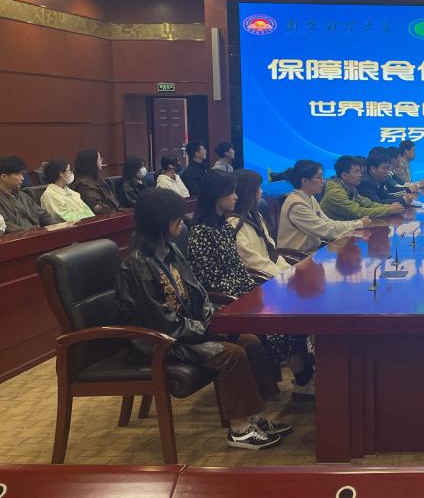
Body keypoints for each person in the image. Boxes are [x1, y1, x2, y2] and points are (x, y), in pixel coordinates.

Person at [114, 188, 290, 450]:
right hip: (162, 341)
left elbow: (198, 294)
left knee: (250, 342)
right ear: (162, 221)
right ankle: (239, 428)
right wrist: (209, 329)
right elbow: (162, 322)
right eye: (176, 217)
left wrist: (214, 321)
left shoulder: (170, 249)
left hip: (187, 330)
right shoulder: (138, 265)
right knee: (232, 354)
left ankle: (254, 416)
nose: (181, 221)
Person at [187, 170, 316, 400]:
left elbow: (242, 268)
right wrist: (255, 295)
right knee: (282, 321)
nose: (235, 196)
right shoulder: (201, 233)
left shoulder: (224, 227)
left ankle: (307, 374)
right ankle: (303, 381)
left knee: (296, 308)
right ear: (217, 195)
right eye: (230, 192)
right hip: (226, 302)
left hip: (245, 291)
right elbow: (212, 281)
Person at [276, 159, 372, 253]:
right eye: (319, 177)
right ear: (305, 181)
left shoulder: (309, 197)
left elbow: (327, 222)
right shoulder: (297, 205)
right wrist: (358, 224)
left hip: (313, 251)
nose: (323, 181)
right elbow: (325, 229)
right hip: (296, 256)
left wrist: (357, 223)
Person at [227, 169, 290, 276]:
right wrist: (280, 276)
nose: (261, 191)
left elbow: (271, 251)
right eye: (258, 188)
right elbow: (251, 261)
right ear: (247, 192)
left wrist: (289, 271)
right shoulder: (233, 223)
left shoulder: (255, 215)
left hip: (272, 273)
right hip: (260, 279)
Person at [321, 155, 404, 221]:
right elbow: (358, 212)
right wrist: (388, 210)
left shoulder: (350, 188)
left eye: (361, 172)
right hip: (333, 236)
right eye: (357, 172)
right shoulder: (335, 193)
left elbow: (368, 203)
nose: (361, 175)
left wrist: (388, 207)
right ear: (344, 175)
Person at [0, 155, 59, 233]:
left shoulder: (23, 196)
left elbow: (42, 215)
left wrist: (57, 226)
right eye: (18, 174)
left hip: (37, 234)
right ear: (4, 177)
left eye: (22, 174)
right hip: (21, 238)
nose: (22, 178)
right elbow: (5, 226)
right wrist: (32, 232)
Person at [39, 158, 95, 223]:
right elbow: (67, 218)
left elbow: (88, 211)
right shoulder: (49, 195)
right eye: (69, 170)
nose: (72, 173)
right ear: (61, 173)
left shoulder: (72, 193)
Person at [69, 148, 120, 215]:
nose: (101, 161)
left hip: (113, 214)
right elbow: (98, 208)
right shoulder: (83, 185)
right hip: (103, 218)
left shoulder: (97, 179)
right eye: (99, 159)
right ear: (92, 162)